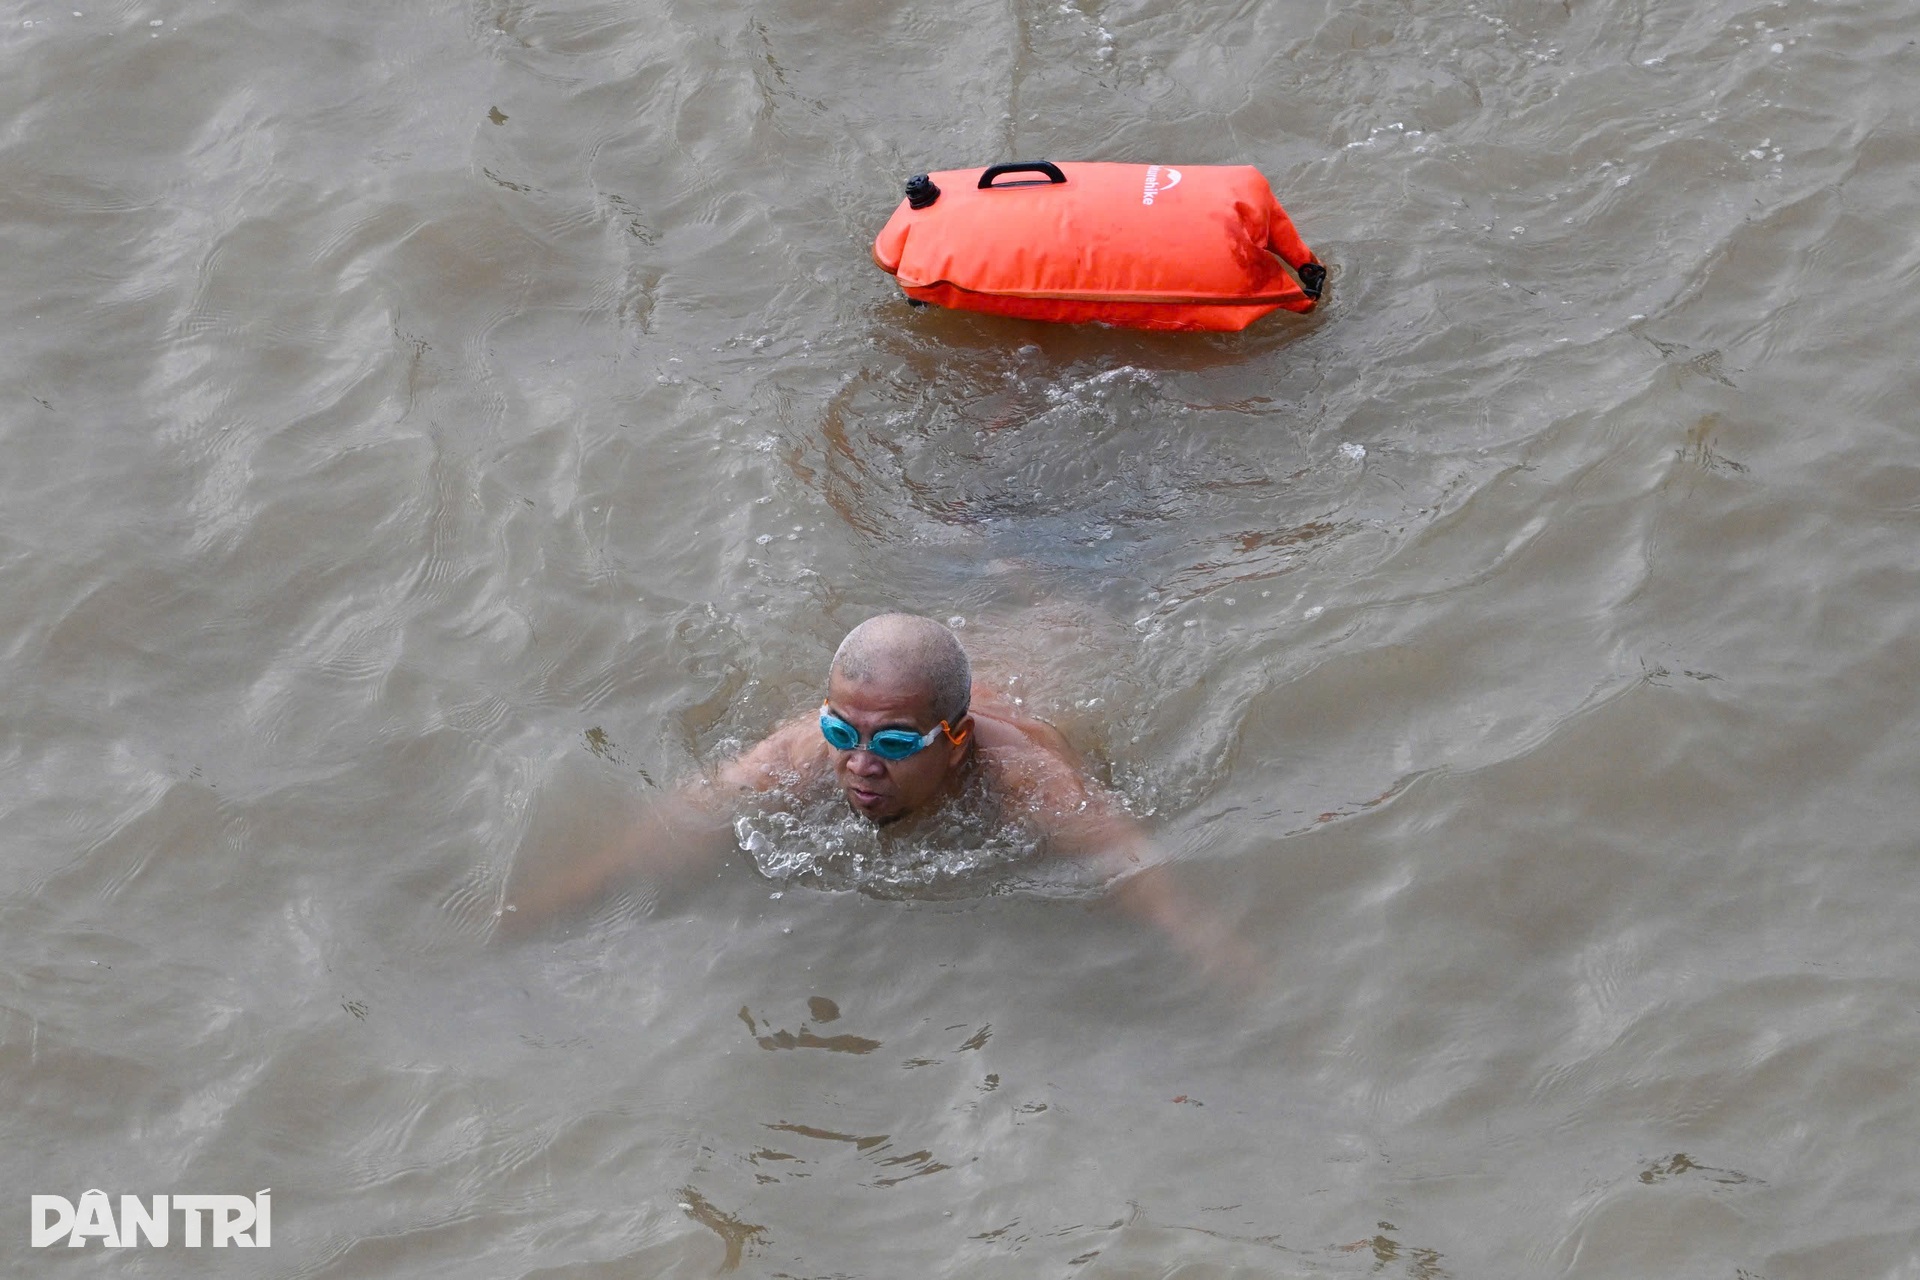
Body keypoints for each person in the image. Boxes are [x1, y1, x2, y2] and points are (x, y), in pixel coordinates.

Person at [503, 613, 1254, 980]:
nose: (860, 763)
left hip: (1074, 608)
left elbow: (1158, 895)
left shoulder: (1027, 779)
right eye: (844, 730)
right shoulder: (795, 754)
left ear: (953, 743)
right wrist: (527, 921)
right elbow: (646, 844)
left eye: (893, 743)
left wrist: (1267, 1007)